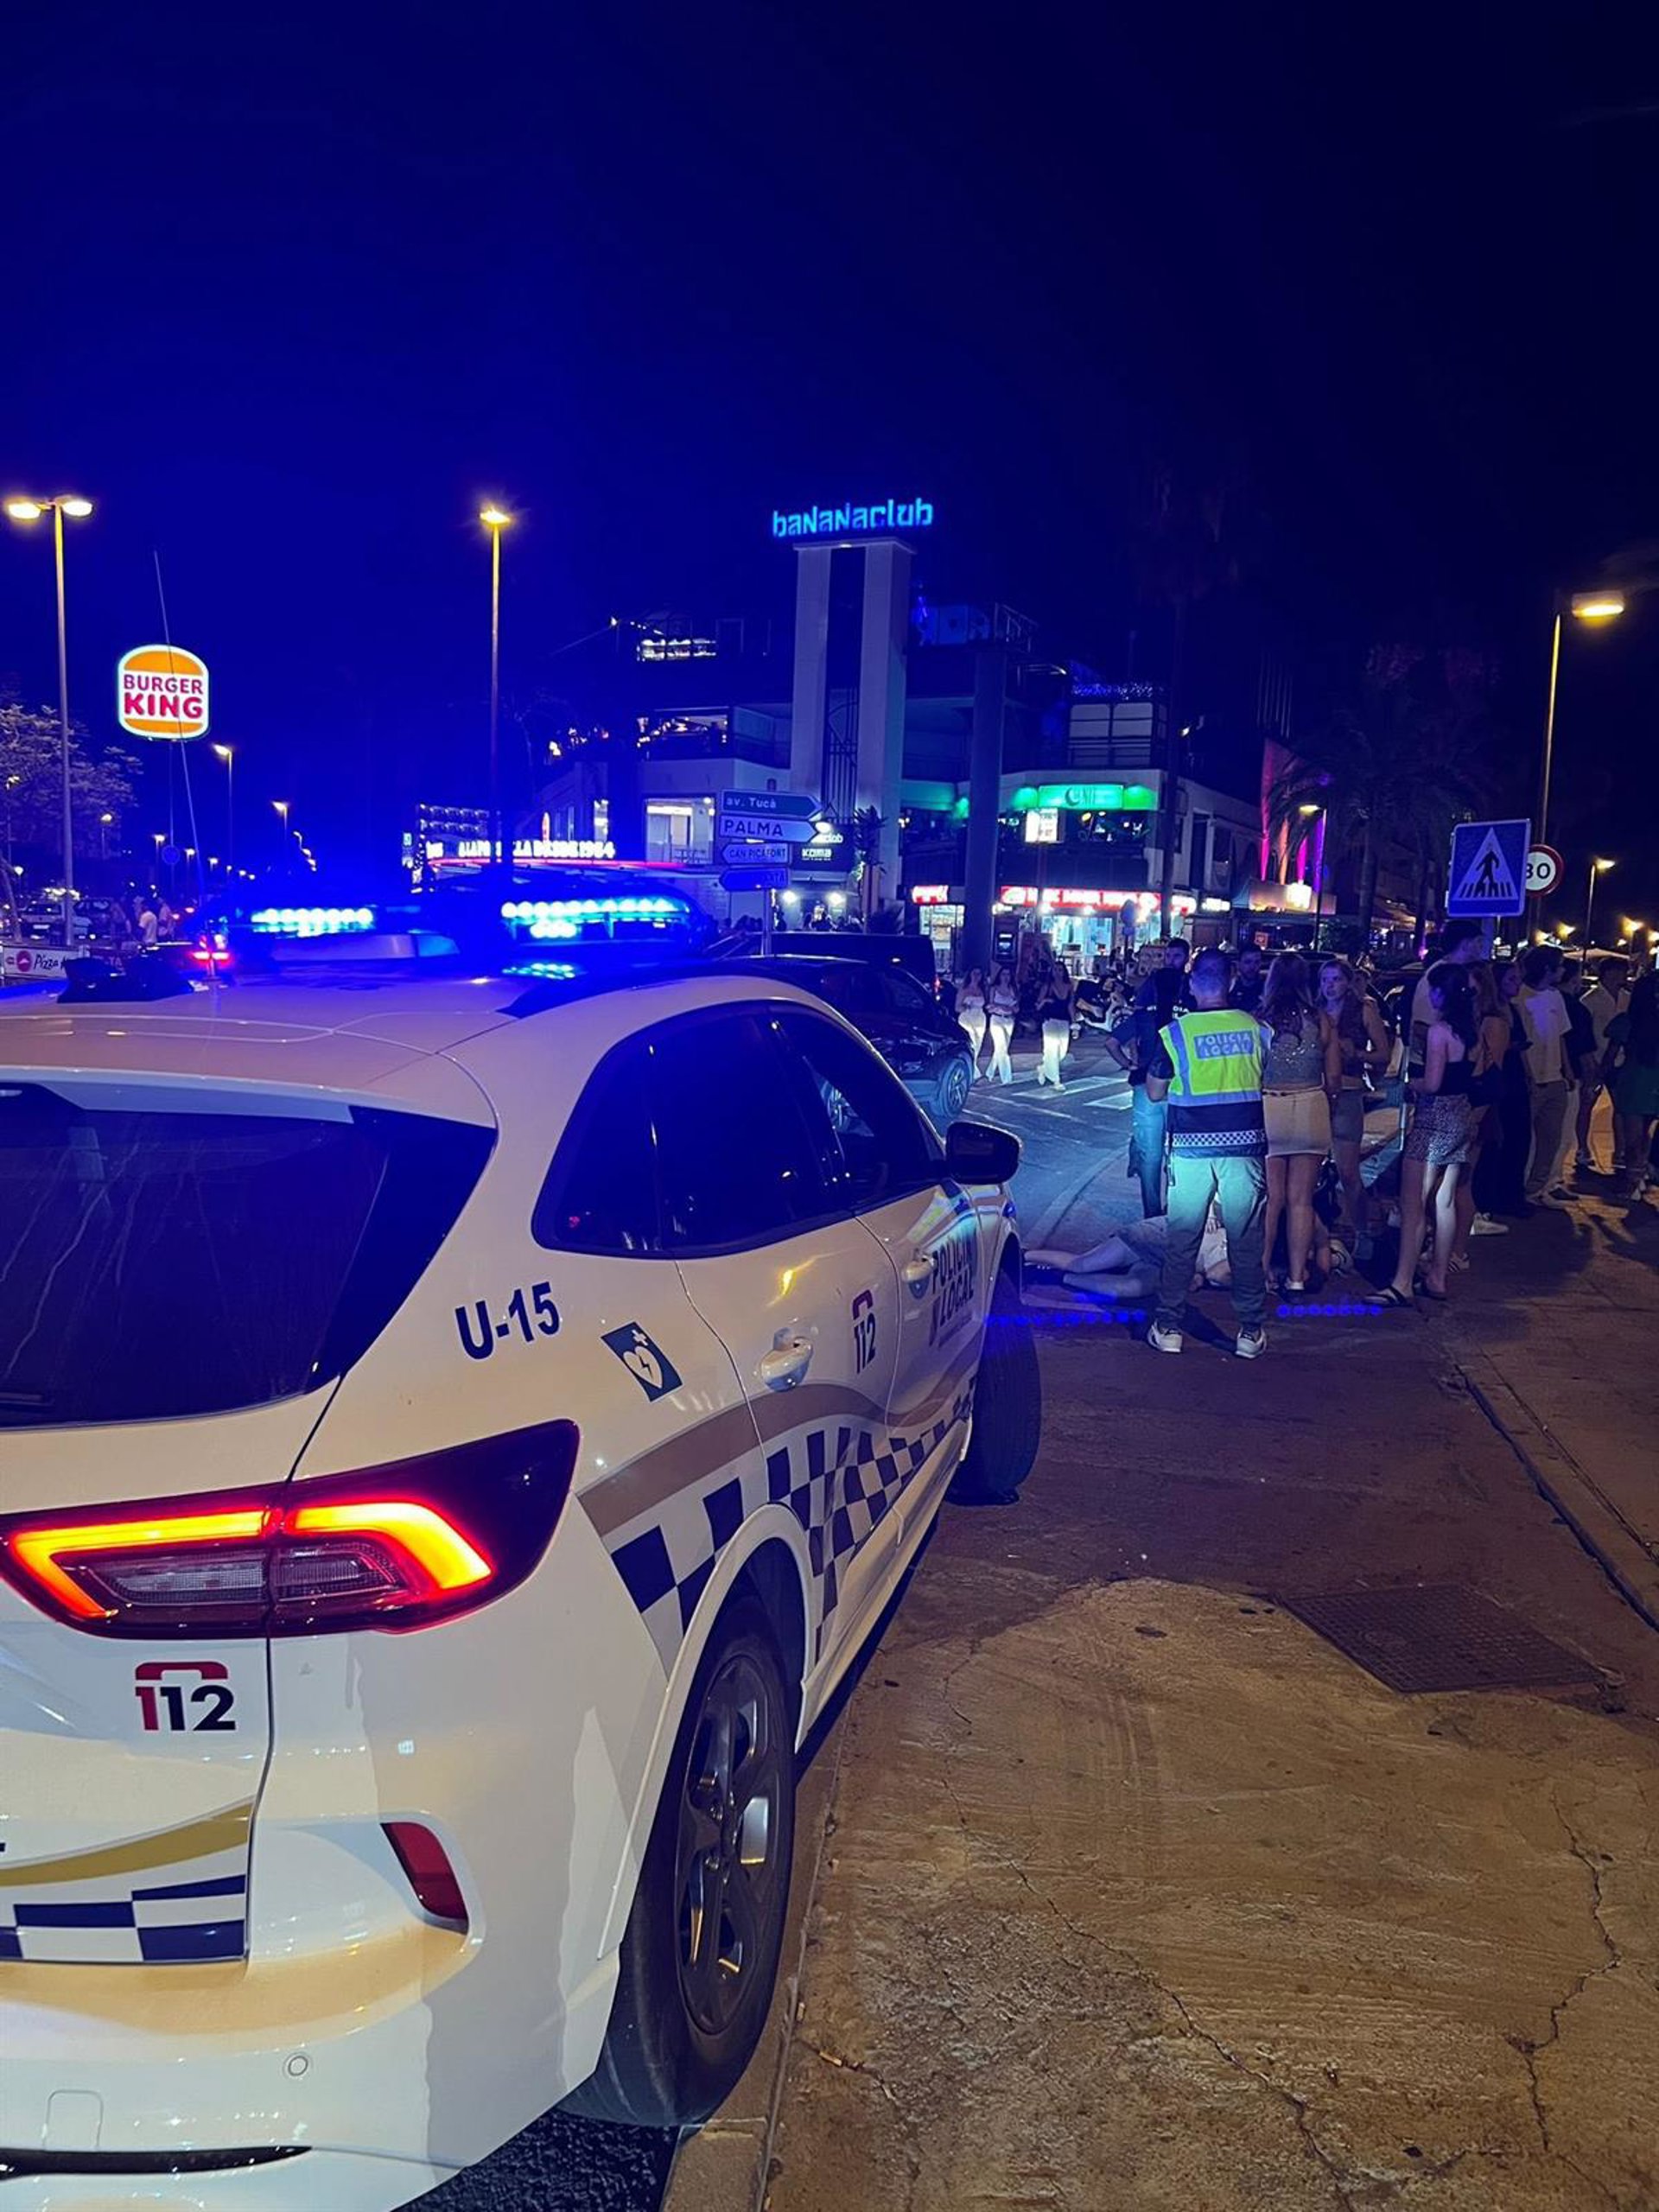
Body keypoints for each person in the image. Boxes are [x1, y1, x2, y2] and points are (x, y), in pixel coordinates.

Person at [1144, 948, 1269, 1357]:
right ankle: (1250, 1331)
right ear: (1231, 981)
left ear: (1193, 983)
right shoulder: (1256, 1029)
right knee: (1245, 1239)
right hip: (1244, 1149)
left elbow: (1155, 1091)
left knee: (1183, 1239)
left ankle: (1169, 1327)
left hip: (1191, 1150)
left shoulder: (1176, 1034)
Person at [1376, 962, 1477, 1306]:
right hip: (1461, 1115)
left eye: (1433, 989)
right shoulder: (1471, 1031)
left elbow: (1433, 1083)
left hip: (1435, 1119)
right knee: (1444, 1200)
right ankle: (1438, 1276)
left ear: (1442, 993)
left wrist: (1411, 1084)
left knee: (1413, 1202)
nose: (1430, 995)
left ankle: (1402, 1281)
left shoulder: (1439, 1032)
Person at [1258, 952, 1342, 1291]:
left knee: (1271, 1198)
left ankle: (1262, 1270)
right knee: (1301, 1200)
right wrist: (1329, 1107)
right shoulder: (1322, 1020)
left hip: (1270, 1107)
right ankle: (1296, 1278)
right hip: (1311, 1106)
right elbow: (1333, 1078)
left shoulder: (1260, 1021)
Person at [1104, 938, 1192, 1217]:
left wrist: (1131, 1064)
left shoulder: (1145, 1011)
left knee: (1150, 1155)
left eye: (1175, 955)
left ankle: (1151, 1213)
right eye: (1169, 955)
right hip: (1181, 1088)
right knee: (1178, 1155)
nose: (1170, 960)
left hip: (1145, 1085)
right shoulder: (1190, 1012)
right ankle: (1174, 1210)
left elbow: (1112, 1042)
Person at [1319, 956, 1390, 1243]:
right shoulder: (1315, 1011)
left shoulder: (1363, 1010)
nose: (1330, 986)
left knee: (1348, 1171)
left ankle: (1361, 1231)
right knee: (1314, 1170)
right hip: (1318, 1092)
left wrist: (1357, 1053)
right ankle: (1322, 1230)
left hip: (1348, 1091)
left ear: (1348, 983)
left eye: (1336, 980)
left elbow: (1383, 1054)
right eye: (1325, 980)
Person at [1454, 960, 1516, 1260]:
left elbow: (1489, 1073)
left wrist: (1475, 1115)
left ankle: (1457, 1250)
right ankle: (1450, 1246)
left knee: (1461, 1179)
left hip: (1477, 1105)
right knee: (1453, 1180)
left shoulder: (1493, 1022)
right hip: (1462, 1102)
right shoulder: (1468, 1018)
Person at [1471, 957, 1535, 1221]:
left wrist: (1529, 1074)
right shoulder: (1491, 1016)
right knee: (1495, 1140)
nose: (1517, 983)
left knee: (1517, 1138)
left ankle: (1510, 1196)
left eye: (1518, 978)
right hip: (1499, 1081)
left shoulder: (1512, 1011)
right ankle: (1491, 1199)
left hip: (1513, 1078)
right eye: (1511, 979)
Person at [1517, 945, 1574, 1204]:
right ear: (1547, 968)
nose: (1563, 971)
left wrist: (1566, 1070)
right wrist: (1528, 1075)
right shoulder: (1519, 996)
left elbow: (1561, 1036)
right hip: (1529, 1080)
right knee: (1522, 1139)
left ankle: (1537, 1189)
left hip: (1554, 1078)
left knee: (1551, 1139)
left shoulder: (1555, 997)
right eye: (1559, 966)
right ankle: (1517, 1188)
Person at [1602, 973, 1659, 1198]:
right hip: (1654, 1080)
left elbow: (1611, 1053)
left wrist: (1599, 1076)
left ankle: (1633, 1180)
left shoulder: (1629, 1021)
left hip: (1634, 1080)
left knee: (1633, 1135)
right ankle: (1642, 1173)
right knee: (1646, 1134)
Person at [1574, 957, 1630, 1173]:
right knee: (1586, 1105)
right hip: (1595, 1059)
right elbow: (1584, 1033)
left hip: (1620, 1060)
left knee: (1621, 1107)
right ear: (1608, 973)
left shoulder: (1627, 998)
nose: (1623, 976)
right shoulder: (1590, 1000)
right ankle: (1582, 1148)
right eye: (1619, 972)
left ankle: (1620, 1150)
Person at [1408, 918, 1484, 1072]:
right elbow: (1420, 1026)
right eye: (1478, 942)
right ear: (1466, 944)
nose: (1481, 948)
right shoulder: (1438, 977)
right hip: (1431, 1065)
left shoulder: (1462, 974)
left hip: (1450, 1062)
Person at [1035, 969, 1073, 1089]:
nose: (1058, 972)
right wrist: (1046, 1000)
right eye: (1055, 970)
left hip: (1064, 1020)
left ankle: (1043, 1068)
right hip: (1050, 1020)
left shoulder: (1069, 986)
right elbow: (1038, 1004)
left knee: (1062, 1051)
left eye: (1060, 970)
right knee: (1051, 1049)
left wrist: (1074, 1022)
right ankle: (1056, 1080)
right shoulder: (1048, 986)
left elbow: (1070, 1005)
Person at [985, 965, 1018, 1085]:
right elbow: (990, 1006)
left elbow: (1016, 1008)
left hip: (1009, 1021)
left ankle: (990, 1072)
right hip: (997, 1020)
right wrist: (1003, 1007)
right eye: (1003, 974)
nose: (1006, 977)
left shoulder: (1012, 989)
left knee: (1000, 1048)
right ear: (999, 976)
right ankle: (1006, 1078)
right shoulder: (994, 989)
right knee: (1002, 1047)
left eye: (1008, 974)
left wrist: (1001, 1007)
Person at [957, 967, 988, 1073]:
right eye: (974, 973)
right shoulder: (964, 990)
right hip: (967, 1017)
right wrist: (966, 1006)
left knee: (978, 1043)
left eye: (979, 974)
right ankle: (971, 1070)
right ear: (970, 974)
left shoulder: (982, 990)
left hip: (980, 1018)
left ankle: (973, 1067)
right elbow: (957, 1008)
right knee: (972, 1042)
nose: (976, 976)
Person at [1230, 941, 1267, 1014]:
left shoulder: (1267, 988)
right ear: (1238, 964)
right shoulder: (1230, 988)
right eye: (1247, 962)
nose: (1252, 967)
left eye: (1257, 962)